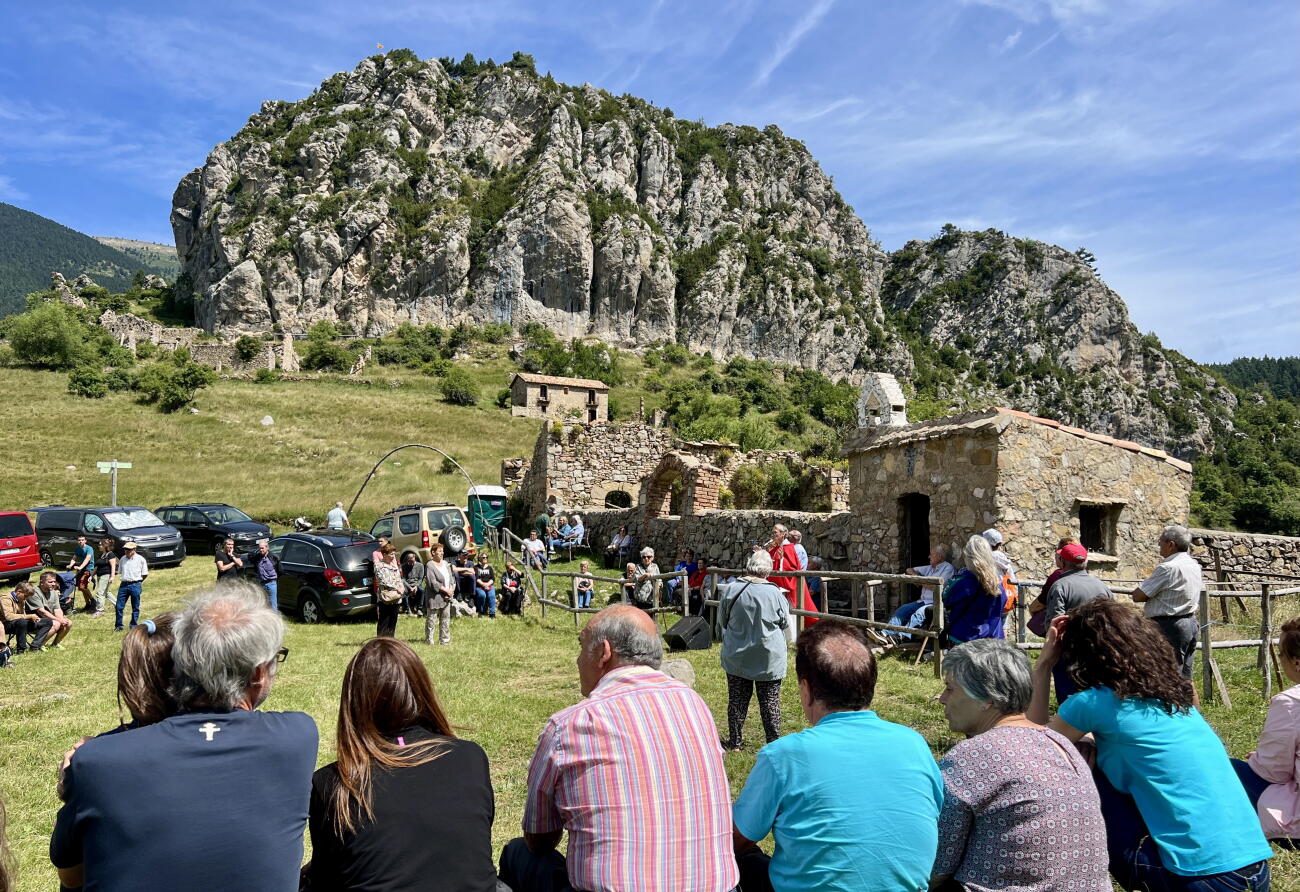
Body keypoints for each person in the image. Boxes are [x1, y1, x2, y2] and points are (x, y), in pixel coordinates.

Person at [50, 582, 319, 891]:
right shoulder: (298, 736)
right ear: (258, 673)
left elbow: (71, 878)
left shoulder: (98, 759)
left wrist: (77, 777)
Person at [1029, 599, 1272, 891]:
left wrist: (1044, 665)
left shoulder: (1092, 703)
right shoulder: (1177, 697)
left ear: (1082, 654)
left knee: (1078, 761)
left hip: (1197, 879)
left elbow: (1031, 748)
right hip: (1255, 869)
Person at [499, 605, 737, 892]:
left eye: (581, 646)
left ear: (604, 652)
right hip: (719, 887)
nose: (577, 660)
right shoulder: (695, 705)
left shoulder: (570, 725)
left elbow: (539, 838)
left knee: (518, 853)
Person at [732, 621, 943, 892]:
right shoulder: (915, 744)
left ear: (806, 689)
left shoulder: (784, 756)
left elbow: (738, 838)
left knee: (744, 859)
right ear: (871, 684)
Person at [305, 639, 498, 891]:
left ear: (353, 702)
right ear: (421, 690)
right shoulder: (471, 757)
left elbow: (325, 877)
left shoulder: (333, 782)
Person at [933, 639, 1109, 890]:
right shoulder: (1060, 744)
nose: (942, 699)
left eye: (950, 688)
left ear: (987, 698)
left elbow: (937, 864)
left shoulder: (971, 756)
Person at [1233, 615, 1300, 842]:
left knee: (1227, 768)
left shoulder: (1291, 702)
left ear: (1296, 662)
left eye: (1281, 654)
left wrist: (1258, 761)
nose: (1280, 659)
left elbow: (1273, 772)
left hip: (1295, 822)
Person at [718, 549, 788, 750]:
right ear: (768, 569)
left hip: (738, 655)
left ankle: (735, 742)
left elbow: (723, 620)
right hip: (768, 657)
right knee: (770, 702)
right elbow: (784, 622)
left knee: (737, 699)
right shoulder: (775, 593)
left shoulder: (731, 589)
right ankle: (774, 744)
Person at [1041, 541, 1111, 702]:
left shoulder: (1060, 586)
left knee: (1069, 700)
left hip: (1069, 653)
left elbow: (1056, 624)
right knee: (1095, 696)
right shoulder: (1102, 586)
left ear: (1062, 562)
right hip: (1098, 650)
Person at [1131, 524, 1202, 680]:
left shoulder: (1168, 568)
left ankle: (1168, 704)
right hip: (1189, 622)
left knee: (1167, 676)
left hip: (1169, 625)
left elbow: (1138, 596)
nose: (1158, 544)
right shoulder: (1193, 564)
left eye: (1161, 540)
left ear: (1171, 544)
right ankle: (1189, 705)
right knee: (1185, 677)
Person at [881, 543, 955, 643]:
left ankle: (901, 637)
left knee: (919, 614)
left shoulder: (948, 568)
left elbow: (935, 587)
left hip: (934, 603)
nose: (929, 556)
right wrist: (918, 576)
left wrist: (919, 580)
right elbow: (909, 570)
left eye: (931, 554)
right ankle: (885, 634)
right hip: (922, 601)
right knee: (902, 610)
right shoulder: (930, 567)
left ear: (939, 556)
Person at [943, 536, 1007, 646]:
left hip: (965, 638)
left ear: (968, 557)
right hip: (993, 639)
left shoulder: (965, 582)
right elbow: (1003, 605)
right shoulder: (998, 584)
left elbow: (946, 599)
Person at [766, 524, 816, 641]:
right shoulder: (777, 547)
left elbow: (792, 568)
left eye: (775, 533)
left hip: (789, 587)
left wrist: (781, 560)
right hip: (778, 585)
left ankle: (791, 638)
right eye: (773, 533)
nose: (773, 535)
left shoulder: (788, 548)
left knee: (790, 613)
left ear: (783, 534)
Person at [2, 582, 53, 654]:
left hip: (21, 623)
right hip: (5, 625)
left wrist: (32, 619)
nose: (26, 598)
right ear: (19, 592)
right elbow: (9, 616)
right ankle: (21, 650)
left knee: (48, 622)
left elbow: (23, 615)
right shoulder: (5, 598)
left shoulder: (22, 599)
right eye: (25, 596)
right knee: (22, 622)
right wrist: (30, 616)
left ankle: (35, 646)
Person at [423, 543, 455, 646]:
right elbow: (432, 582)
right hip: (435, 597)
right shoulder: (429, 565)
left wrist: (450, 591)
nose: (442, 553)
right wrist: (445, 590)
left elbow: (451, 578)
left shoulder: (446, 563)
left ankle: (444, 640)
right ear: (433, 552)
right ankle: (429, 641)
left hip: (447, 597)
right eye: (440, 551)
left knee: (445, 619)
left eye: (442, 551)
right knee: (431, 620)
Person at [114, 540, 148, 632]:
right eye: (125, 549)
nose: (127, 551)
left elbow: (145, 574)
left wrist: (139, 582)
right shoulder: (122, 559)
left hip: (135, 584)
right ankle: (118, 626)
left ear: (134, 550)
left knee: (135, 606)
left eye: (129, 550)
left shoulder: (141, 560)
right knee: (119, 606)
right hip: (124, 585)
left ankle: (133, 625)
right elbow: (120, 572)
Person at [32, 571, 72, 647]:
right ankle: (38, 645)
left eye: (54, 581)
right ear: (42, 582)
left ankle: (56, 644)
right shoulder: (34, 593)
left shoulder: (53, 592)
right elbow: (41, 612)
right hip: (34, 620)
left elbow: (57, 609)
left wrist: (62, 619)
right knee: (56, 624)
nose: (53, 584)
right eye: (50, 582)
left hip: (48, 618)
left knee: (68, 623)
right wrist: (59, 620)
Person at [374, 543, 403, 637]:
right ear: (384, 554)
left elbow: (399, 579)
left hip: (396, 598)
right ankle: (381, 642)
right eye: (391, 554)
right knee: (384, 622)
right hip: (385, 598)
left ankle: (391, 641)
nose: (393, 556)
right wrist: (397, 588)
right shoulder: (379, 566)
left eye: (394, 554)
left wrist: (402, 587)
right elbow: (383, 581)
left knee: (392, 623)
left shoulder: (394, 566)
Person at [67, 534, 95, 613]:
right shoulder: (77, 549)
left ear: (85, 541)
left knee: (82, 586)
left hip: (88, 569)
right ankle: (87, 604)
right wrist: (70, 565)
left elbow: (87, 558)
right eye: (79, 540)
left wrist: (80, 567)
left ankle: (93, 601)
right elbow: (74, 558)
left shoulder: (89, 548)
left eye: (82, 540)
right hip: (81, 569)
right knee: (81, 588)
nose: (81, 541)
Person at [251, 538, 280, 611]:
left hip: (271, 584)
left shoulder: (273, 557)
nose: (261, 550)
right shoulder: (257, 557)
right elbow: (254, 566)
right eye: (260, 548)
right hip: (262, 583)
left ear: (267, 548)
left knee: (273, 605)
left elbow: (280, 570)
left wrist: (275, 579)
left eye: (262, 548)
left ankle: (274, 621)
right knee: (263, 604)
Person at [91, 537, 117, 617]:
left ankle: (100, 610)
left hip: (106, 575)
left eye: (100, 545)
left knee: (100, 593)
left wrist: (112, 577)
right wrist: (91, 575)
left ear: (105, 546)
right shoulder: (101, 555)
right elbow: (97, 567)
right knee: (106, 592)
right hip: (100, 575)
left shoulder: (110, 554)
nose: (99, 546)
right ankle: (118, 605)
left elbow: (113, 566)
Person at [401, 550, 425, 616]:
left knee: (422, 591)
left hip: (416, 584)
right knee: (404, 592)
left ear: (415, 558)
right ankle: (408, 609)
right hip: (407, 584)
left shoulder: (420, 566)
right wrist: (409, 587)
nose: (411, 563)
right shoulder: (404, 566)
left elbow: (420, 579)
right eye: (409, 561)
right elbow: (403, 579)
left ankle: (419, 608)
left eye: (412, 561)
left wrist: (416, 586)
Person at [473, 552, 497, 618]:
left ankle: (492, 613)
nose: (485, 558)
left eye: (486, 557)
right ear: (480, 558)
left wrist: (487, 584)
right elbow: (476, 578)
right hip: (480, 586)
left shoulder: (490, 568)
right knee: (482, 595)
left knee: (492, 595)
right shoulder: (476, 567)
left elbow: (492, 579)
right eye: (483, 557)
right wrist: (483, 584)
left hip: (489, 585)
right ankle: (480, 611)